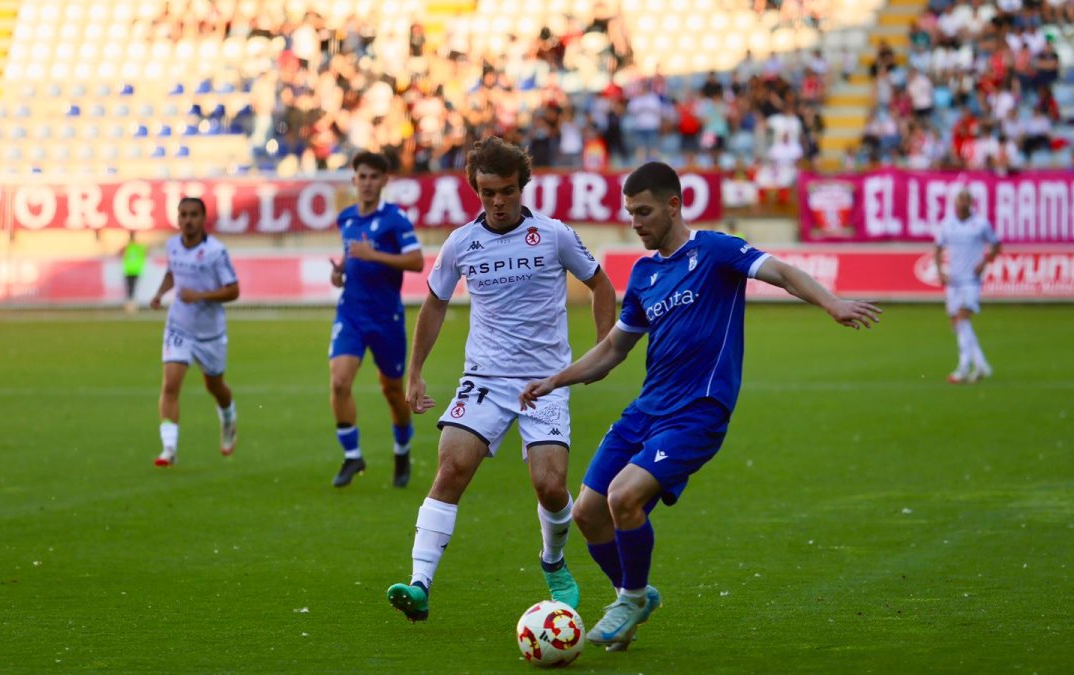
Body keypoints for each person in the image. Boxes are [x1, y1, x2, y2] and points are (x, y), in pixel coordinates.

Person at [517, 162, 881, 650]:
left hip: (697, 413)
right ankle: (633, 596)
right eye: (630, 213)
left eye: (644, 211)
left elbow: (782, 272)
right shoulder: (644, 274)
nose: (636, 222)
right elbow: (613, 350)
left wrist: (831, 302)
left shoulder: (714, 251)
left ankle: (629, 598)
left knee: (623, 497)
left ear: (673, 205)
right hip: (646, 410)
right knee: (587, 512)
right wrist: (555, 379)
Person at [385, 136, 617, 622]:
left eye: (507, 191)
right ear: (475, 189)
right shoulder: (460, 243)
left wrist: (602, 351)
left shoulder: (553, 234)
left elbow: (600, 284)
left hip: (545, 382)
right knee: (451, 469)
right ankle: (420, 583)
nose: (498, 201)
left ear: (522, 186)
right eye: (488, 192)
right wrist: (416, 372)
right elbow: (434, 304)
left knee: (551, 487)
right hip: (485, 377)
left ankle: (553, 562)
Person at [328, 151, 424, 489]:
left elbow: (415, 261)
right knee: (340, 381)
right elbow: (351, 255)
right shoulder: (346, 219)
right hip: (351, 312)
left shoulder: (395, 219)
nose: (367, 183)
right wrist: (341, 272)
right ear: (354, 180)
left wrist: (374, 256)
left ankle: (402, 449)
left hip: (386, 317)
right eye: (362, 176)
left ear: (384, 181)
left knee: (393, 391)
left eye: (374, 177)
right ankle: (353, 456)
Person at [149, 197, 241, 467]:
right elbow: (171, 272)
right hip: (179, 326)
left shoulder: (215, 251)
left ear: (203, 219)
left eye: (193, 215)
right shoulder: (172, 245)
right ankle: (169, 448)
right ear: (177, 219)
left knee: (215, 386)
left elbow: (234, 290)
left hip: (210, 332)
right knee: (170, 384)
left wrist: (201, 295)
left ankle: (228, 419)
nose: (187, 220)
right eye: (183, 215)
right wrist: (159, 294)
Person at [935, 188, 1001, 384]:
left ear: (971, 203)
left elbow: (996, 244)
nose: (963, 204)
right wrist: (940, 271)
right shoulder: (947, 225)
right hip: (953, 281)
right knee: (957, 324)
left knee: (963, 318)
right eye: (960, 200)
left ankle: (963, 368)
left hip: (971, 281)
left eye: (966, 200)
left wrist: (985, 261)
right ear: (955, 203)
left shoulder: (980, 224)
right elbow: (938, 248)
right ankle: (981, 365)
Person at [120, 230, 147, 314]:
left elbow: (120, 252)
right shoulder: (135, 246)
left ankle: (130, 306)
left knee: (131, 289)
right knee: (131, 289)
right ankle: (130, 306)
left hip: (132, 270)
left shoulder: (130, 247)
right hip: (132, 270)